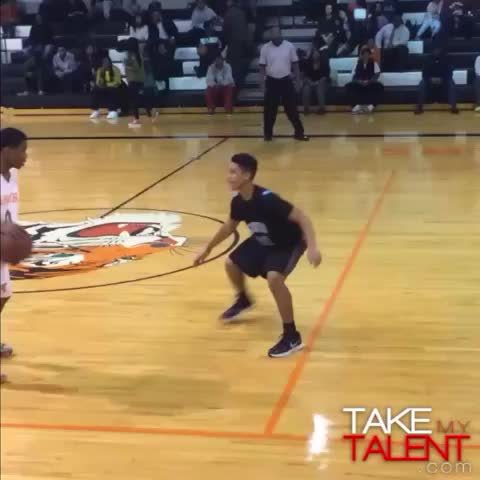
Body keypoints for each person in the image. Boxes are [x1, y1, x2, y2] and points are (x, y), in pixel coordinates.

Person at [194, 153, 322, 358]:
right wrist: (207, 249)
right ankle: (243, 299)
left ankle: (291, 336)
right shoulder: (238, 202)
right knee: (231, 264)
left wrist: (313, 247)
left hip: (288, 243)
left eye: (233, 172)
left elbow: (302, 217)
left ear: (247, 176)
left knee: (274, 278)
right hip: (264, 240)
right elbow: (229, 227)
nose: (228, 177)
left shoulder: (268, 200)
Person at [0, 127, 28, 383]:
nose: (25, 156)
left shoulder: (12, 175)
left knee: (4, 296)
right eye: (22, 150)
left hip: (3, 249)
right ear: (6, 150)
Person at [259, 26, 308, 142]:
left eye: (276, 35)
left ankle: (299, 133)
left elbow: (295, 65)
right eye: (272, 35)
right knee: (269, 110)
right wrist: (262, 83)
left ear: (281, 35)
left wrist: (298, 81)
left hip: (286, 80)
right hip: (271, 81)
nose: (274, 38)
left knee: (292, 109)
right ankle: (268, 134)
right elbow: (262, 67)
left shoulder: (289, 46)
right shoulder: (265, 48)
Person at [415, 46, 458, 115]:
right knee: (422, 83)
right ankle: (419, 107)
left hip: (444, 81)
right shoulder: (427, 59)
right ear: (432, 50)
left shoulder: (447, 58)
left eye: (438, 49)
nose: (436, 51)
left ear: (441, 50)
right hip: (430, 81)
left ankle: (454, 107)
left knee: (451, 83)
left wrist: (442, 79)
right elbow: (424, 74)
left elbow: (450, 73)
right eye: (435, 49)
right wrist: (430, 79)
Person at [346, 46, 384, 113]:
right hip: (359, 83)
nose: (366, 56)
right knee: (348, 86)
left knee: (380, 86)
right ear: (362, 55)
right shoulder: (358, 63)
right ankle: (355, 107)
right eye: (364, 54)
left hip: (370, 83)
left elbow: (377, 74)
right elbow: (354, 75)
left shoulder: (373, 63)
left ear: (369, 55)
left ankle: (371, 107)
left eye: (367, 54)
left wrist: (370, 81)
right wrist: (359, 81)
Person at [124, 38, 147, 127]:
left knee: (134, 100)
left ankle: (136, 119)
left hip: (135, 80)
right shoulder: (136, 54)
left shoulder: (133, 55)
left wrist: (127, 65)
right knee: (138, 99)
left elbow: (136, 67)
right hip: (136, 80)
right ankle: (150, 112)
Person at [300, 48, 330, 115]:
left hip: (322, 82)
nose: (316, 55)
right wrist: (311, 82)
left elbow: (326, 76)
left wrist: (318, 82)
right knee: (306, 89)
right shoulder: (308, 63)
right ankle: (306, 108)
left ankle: (322, 108)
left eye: (317, 53)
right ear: (312, 54)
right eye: (314, 53)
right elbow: (305, 76)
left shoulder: (324, 63)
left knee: (319, 88)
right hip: (310, 82)